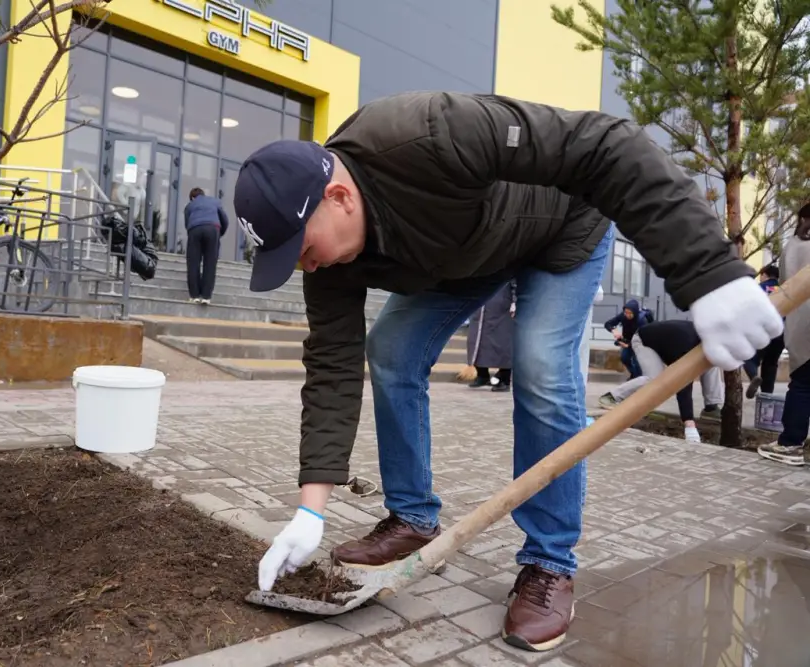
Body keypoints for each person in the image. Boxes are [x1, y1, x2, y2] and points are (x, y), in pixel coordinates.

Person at [233, 92, 782, 653]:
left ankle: (548, 562)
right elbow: (331, 366)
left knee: (542, 367)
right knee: (393, 349)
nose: (307, 265)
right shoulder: (327, 260)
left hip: (560, 230)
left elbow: (609, 144)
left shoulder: (430, 135)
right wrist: (310, 510)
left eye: (302, 249)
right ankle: (413, 519)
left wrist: (709, 273)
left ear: (339, 196)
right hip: (470, 253)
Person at [598, 320, 724, 442]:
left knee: (711, 363)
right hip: (644, 339)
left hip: (664, 341)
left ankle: (711, 408)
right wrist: (689, 423)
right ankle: (612, 396)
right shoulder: (687, 343)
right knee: (654, 378)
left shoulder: (705, 341)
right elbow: (683, 383)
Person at [758, 206, 810, 466]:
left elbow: (789, 282)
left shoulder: (797, 245)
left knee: (802, 383)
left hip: (805, 323)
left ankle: (791, 444)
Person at [466, 279, 516, 392]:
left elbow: (515, 282)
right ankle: (482, 375)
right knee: (476, 342)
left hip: (502, 307)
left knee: (502, 343)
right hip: (481, 305)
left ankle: (504, 379)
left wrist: (514, 301)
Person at [743, 264, 785, 398]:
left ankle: (754, 376)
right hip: (780, 333)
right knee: (771, 365)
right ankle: (767, 396)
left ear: (764, 275)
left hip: (763, 331)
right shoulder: (784, 289)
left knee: (749, 358)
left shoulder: (758, 288)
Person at [183, 187, 229, 304]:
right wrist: (219, 233)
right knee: (210, 263)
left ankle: (194, 296)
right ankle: (206, 296)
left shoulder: (190, 206)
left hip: (195, 229)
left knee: (193, 262)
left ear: (193, 197)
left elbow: (187, 223)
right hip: (213, 228)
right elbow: (224, 219)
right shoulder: (215, 201)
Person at [604, 300, 647, 379]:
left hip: (640, 343)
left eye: (630, 313)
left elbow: (644, 337)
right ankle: (634, 375)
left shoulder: (641, 321)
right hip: (627, 341)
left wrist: (629, 345)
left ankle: (639, 379)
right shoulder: (623, 316)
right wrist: (613, 330)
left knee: (636, 362)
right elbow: (607, 324)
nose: (627, 315)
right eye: (626, 312)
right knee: (625, 358)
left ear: (635, 312)